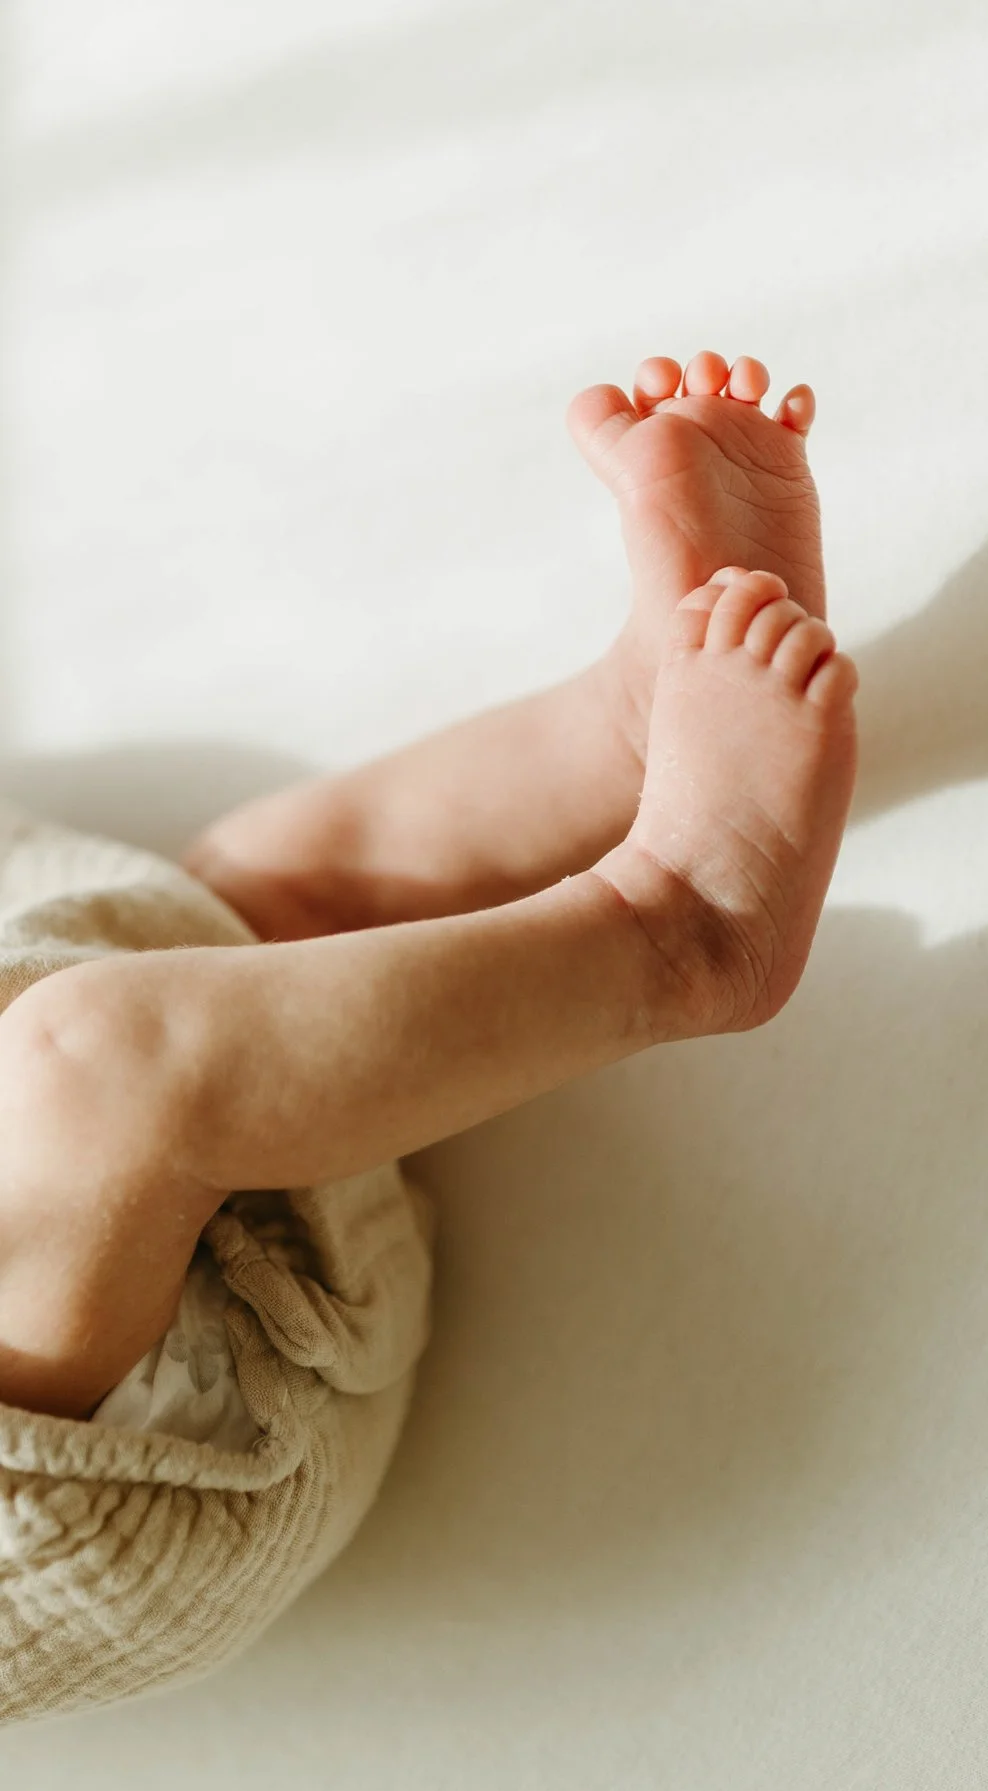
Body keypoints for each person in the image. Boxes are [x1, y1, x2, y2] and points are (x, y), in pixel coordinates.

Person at [0, 351, 856, 1721]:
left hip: (134, 1127)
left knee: (247, 901)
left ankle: (631, 715)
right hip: (111, 1427)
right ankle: (678, 928)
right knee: (99, 1063)